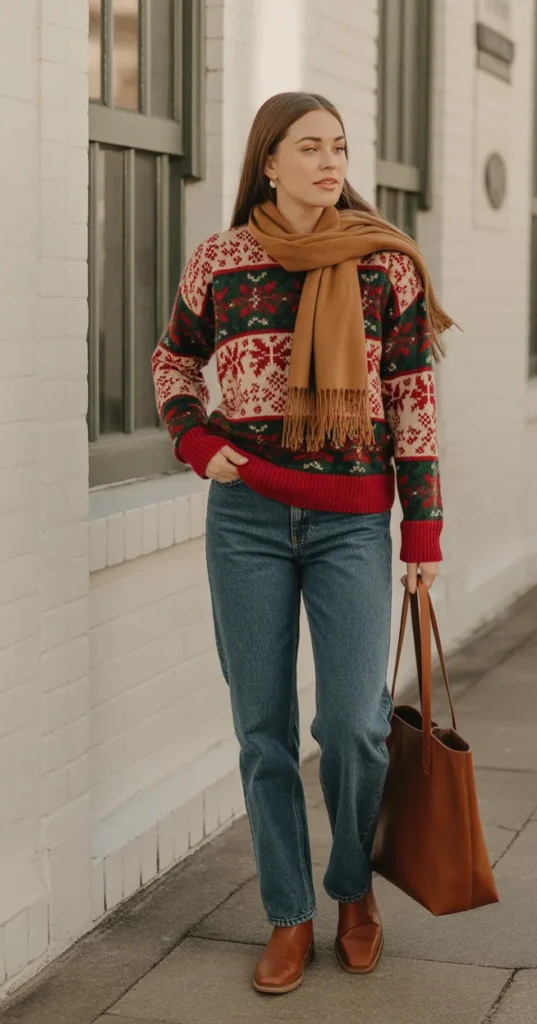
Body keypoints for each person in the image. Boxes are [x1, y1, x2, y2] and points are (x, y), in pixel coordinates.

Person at [152, 91, 451, 995]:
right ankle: (288, 913)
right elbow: (173, 360)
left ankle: (353, 890)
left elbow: (411, 399)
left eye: (339, 147)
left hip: (351, 522)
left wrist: (422, 529)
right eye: (309, 148)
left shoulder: (381, 265)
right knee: (263, 731)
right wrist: (199, 444)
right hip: (245, 520)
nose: (331, 162)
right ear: (268, 162)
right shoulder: (220, 261)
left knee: (354, 726)